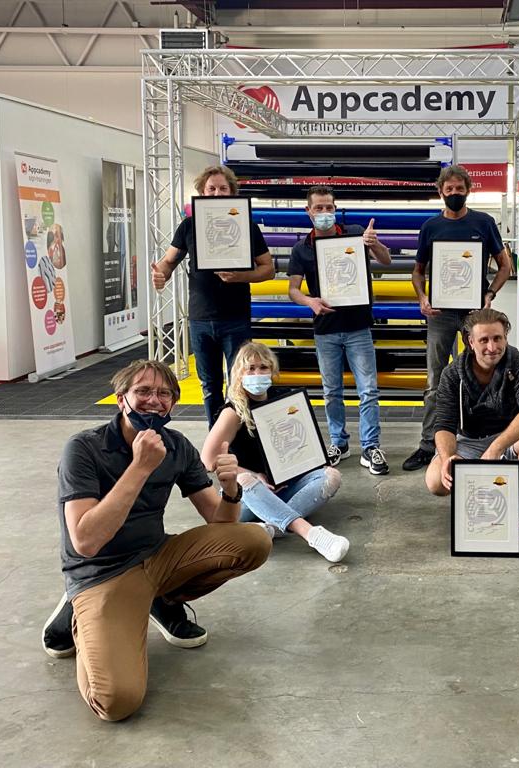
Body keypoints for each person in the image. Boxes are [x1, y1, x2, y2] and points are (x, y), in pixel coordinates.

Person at [40, 359, 272, 721]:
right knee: (116, 702)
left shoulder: (176, 446)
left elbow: (220, 524)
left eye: (164, 394)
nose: (154, 400)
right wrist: (140, 467)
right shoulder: (84, 448)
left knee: (253, 540)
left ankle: (160, 599)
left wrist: (230, 491)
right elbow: (85, 541)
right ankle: (78, 610)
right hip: (101, 573)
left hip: (156, 556)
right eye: (143, 391)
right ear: (121, 399)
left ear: (173, 405)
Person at [403, 165, 513, 472]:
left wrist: (489, 293)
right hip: (440, 314)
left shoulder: (484, 222)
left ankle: (483, 439)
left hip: (474, 314)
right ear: (440, 191)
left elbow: (504, 266)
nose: (454, 194)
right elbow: (417, 271)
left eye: (459, 189)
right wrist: (422, 297)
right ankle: (429, 445)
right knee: (435, 380)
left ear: (468, 190)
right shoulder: (431, 227)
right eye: (449, 189)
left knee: (483, 374)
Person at [201, 342, 350, 563]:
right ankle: (311, 534)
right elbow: (207, 459)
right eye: (250, 368)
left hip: (283, 486)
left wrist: (306, 461)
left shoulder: (284, 400)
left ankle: (269, 527)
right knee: (244, 479)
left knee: (331, 476)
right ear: (239, 374)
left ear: (273, 370)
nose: (257, 373)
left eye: (263, 367)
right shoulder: (234, 411)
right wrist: (254, 474)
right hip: (247, 496)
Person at [151, 165, 275, 426]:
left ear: (232, 192)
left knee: (240, 381)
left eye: (223, 188)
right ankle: (215, 437)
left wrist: (240, 276)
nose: (217, 193)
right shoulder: (188, 226)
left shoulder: (247, 226)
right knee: (209, 385)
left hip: (235, 317)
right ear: (202, 193)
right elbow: (168, 262)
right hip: (200, 319)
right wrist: (161, 274)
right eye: (211, 189)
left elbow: (268, 269)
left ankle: (239, 435)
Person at [287, 185, 392, 475]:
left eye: (329, 207)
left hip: (358, 327)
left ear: (336, 209)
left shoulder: (356, 234)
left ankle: (370, 447)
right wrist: (310, 301)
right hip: (325, 329)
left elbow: (386, 260)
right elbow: (293, 289)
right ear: (308, 211)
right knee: (332, 392)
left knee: (368, 390)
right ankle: (338, 443)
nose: (324, 213)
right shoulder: (301, 249)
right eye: (318, 208)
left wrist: (374, 244)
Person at [424, 308, 519, 538]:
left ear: (506, 337)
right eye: (484, 340)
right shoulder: (452, 374)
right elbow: (443, 424)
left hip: (507, 439)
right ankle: (478, 495)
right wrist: (448, 457)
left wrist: (496, 448)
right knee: (435, 482)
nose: (492, 347)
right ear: (470, 342)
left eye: (497, 338)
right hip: (468, 440)